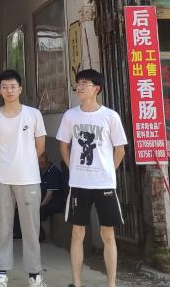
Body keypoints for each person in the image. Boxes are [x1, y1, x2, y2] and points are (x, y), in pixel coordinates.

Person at [56, 69, 128, 287]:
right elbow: (63, 145)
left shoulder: (110, 116)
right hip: (79, 184)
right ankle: (77, 283)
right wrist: (73, 168)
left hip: (104, 184)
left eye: (84, 83)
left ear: (97, 88)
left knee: (108, 233)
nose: (79, 87)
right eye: (78, 83)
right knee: (77, 233)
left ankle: (111, 283)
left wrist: (109, 171)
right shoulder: (70, 116)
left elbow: (120, 149)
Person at [0, 69, 47, 287]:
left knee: (31, 229)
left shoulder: (33, 114)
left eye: (13, 86)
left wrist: (24, 162)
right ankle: (1, 276)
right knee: (2, 228)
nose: (9, 90)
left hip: (28, 179)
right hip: (2, 179)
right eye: (5, 87)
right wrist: (4, 165)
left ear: (20, 89)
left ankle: (35, 275)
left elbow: (40, 146)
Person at [37, 152, 66, 240]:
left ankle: (40, 235)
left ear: (47, 161)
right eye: (38, 162)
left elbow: (49, 196)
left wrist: (39, 206)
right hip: (46, 202)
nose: (40, 164)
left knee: (37, 212)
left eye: (42, 162)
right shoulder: (41, 171)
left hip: (55, 204)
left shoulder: (53, 171)